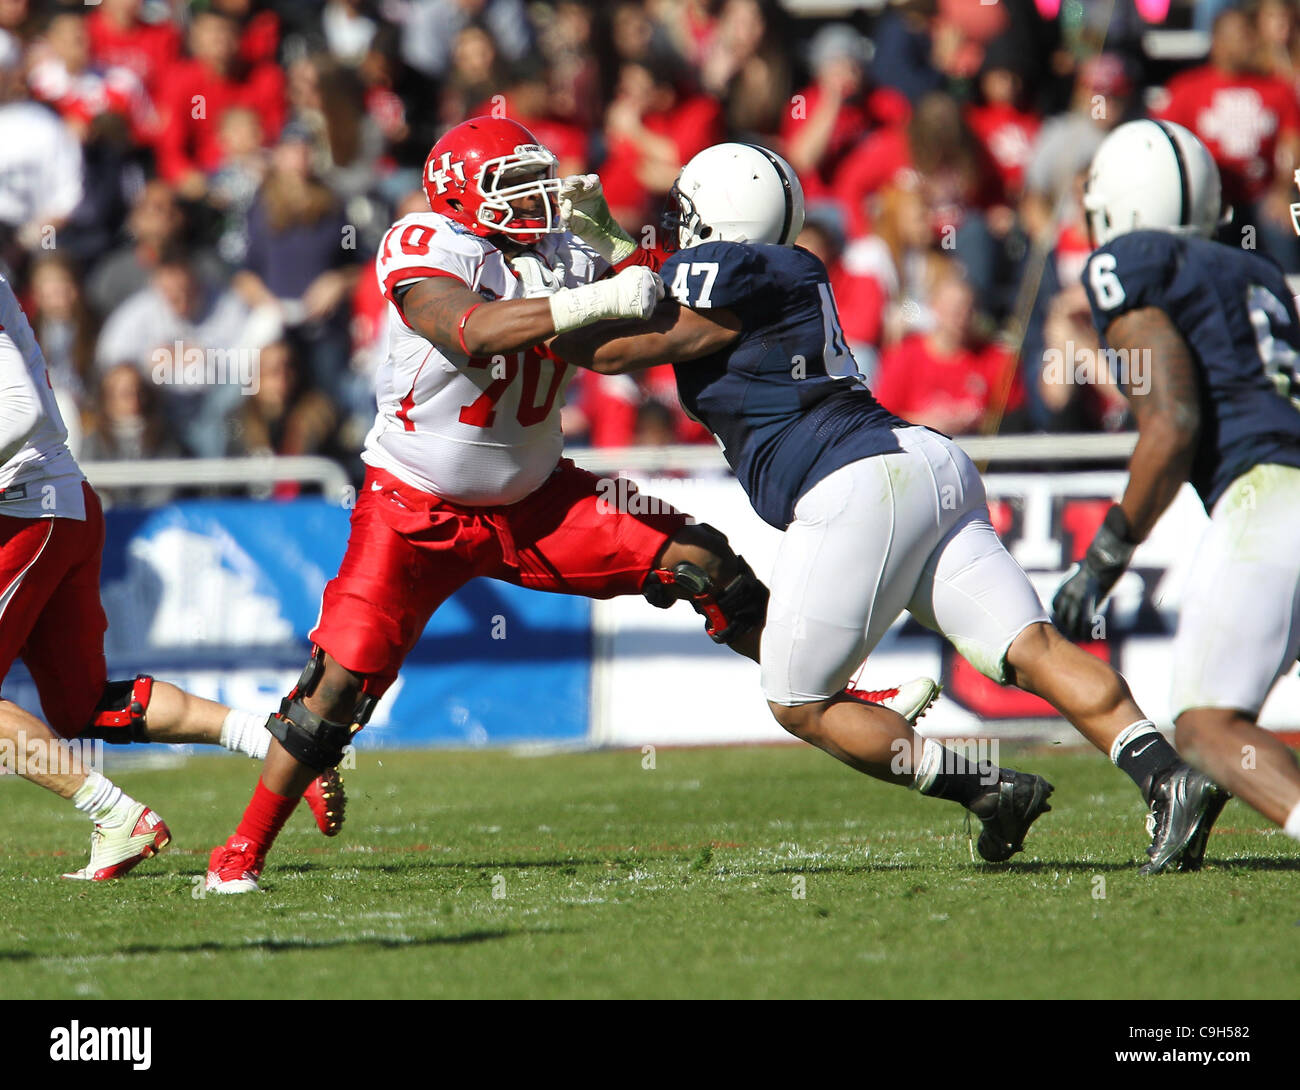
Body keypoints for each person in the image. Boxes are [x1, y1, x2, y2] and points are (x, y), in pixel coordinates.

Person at [203, 117, 935, 894]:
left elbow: (664, 306)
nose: (535, 200)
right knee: (336, 691)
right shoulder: (424, 241)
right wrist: (590, 301)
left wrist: (616, 243)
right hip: (412, 507)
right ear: (457, 195)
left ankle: (843, 694)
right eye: (510, 187)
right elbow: (472, 329)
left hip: (540, 499)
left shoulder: (566, 249)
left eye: (535, 180)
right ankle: (239, 853)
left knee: (704, 561)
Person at [550, 142, 1227, 875]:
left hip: (855, 483)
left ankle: (990, 789)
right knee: (1032, 650)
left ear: (716, 219)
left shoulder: (744, 273)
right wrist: (616, 249)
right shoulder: (770, 276)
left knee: (797, 700)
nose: (677, 232)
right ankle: (1166, 774)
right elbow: (666, 309)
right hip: (921, 462)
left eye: (686, 216)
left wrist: (541, 313)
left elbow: (624, 346)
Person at [0, 269, 343, 879]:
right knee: (84, 708)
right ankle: (282, 746)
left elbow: (19, 408)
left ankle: (116, 815)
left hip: (26, 506)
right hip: (56, 502)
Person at [1054, 118, 1300, 850]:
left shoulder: (1131, 260)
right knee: (1230, 715)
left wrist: (1103, 559)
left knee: (1203, 726)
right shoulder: (1252, 270)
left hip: (1270, 498)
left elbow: (1172, 422)